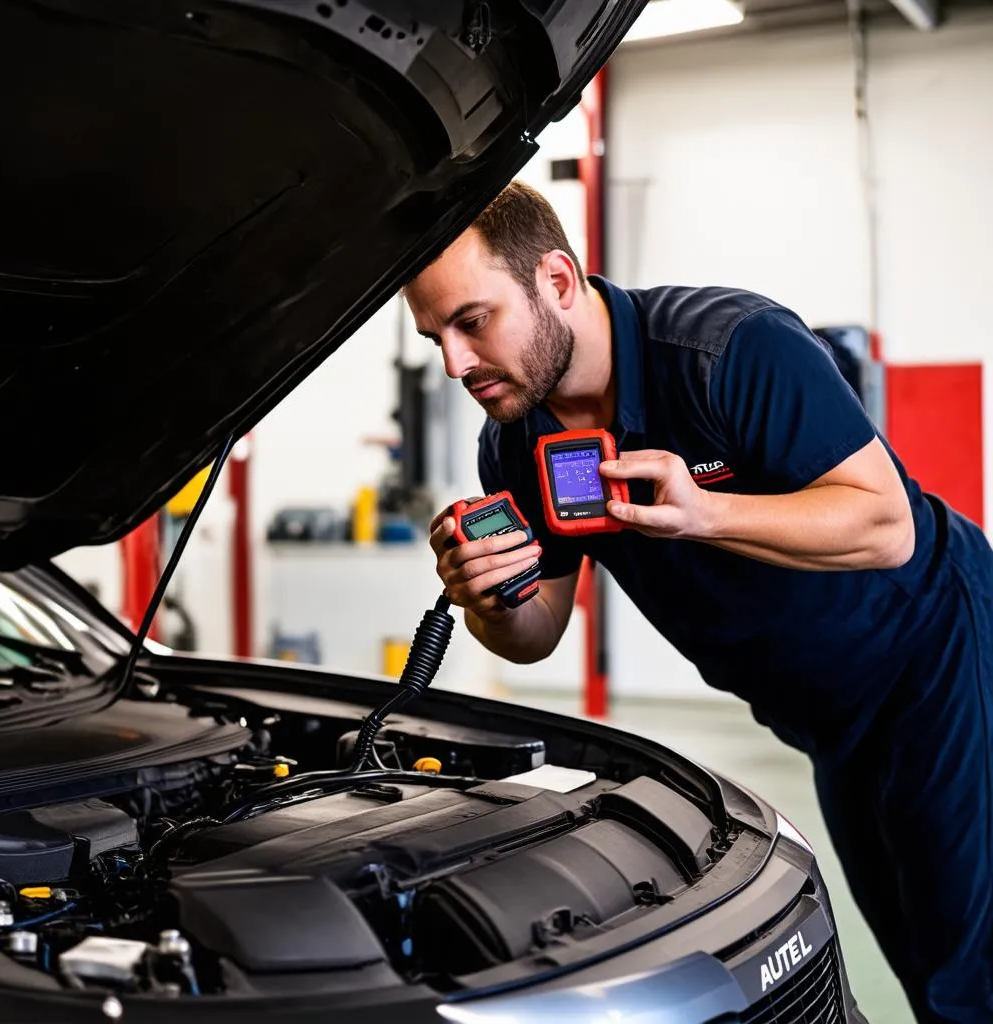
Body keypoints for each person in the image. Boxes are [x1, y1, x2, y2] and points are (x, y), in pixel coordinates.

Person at [402, 180, 993, 1023]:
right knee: (913, 946)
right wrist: (491, 597)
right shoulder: (517, 439)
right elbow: (538, 634)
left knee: (964, 977)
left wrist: (701, 512)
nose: (456, 364)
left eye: (473, 321)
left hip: (937, 656)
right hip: (823, 714)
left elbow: (885, 524)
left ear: (559, 283)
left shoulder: (730, 351)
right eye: (436, 339)